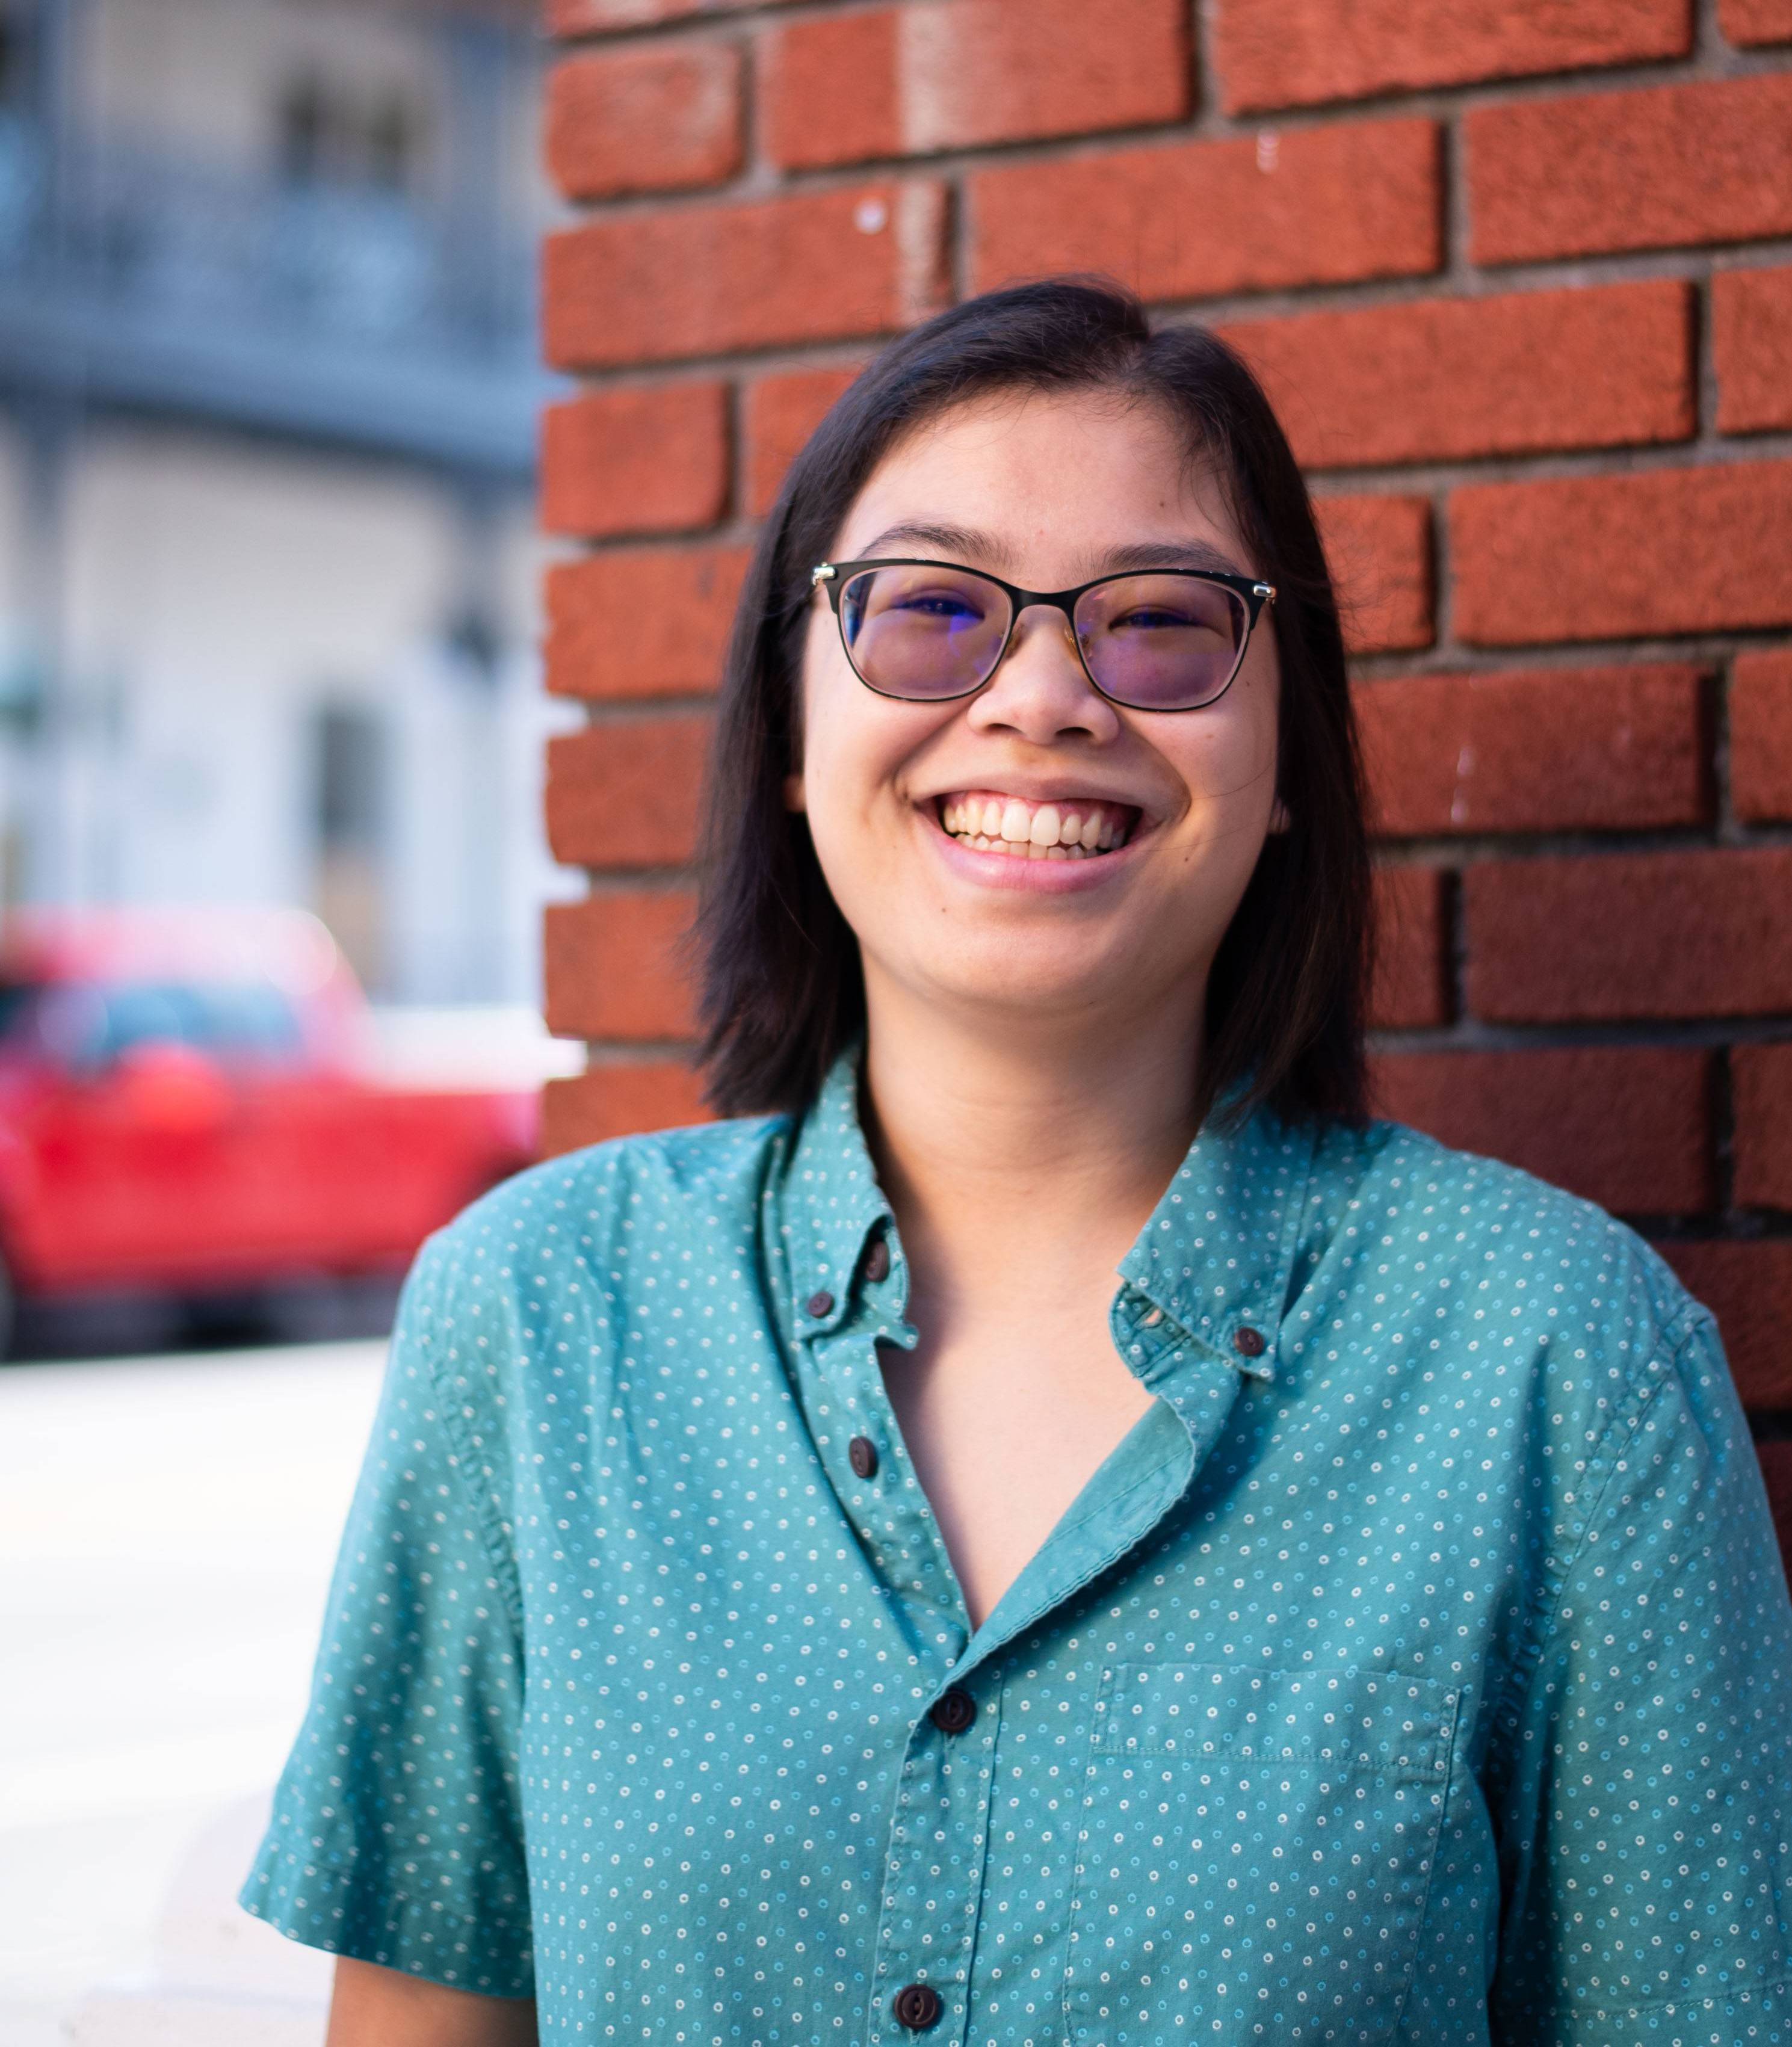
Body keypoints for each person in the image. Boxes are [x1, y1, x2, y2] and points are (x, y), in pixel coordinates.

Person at [243, 280, 1792, 2047]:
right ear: (792, 726)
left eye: (1160, 624)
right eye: (929, 611)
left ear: (1284, 753)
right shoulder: (536, 1319)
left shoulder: (1556, 1359)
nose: (1044, 695)